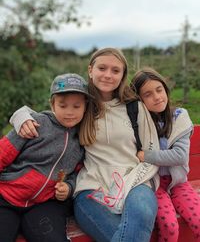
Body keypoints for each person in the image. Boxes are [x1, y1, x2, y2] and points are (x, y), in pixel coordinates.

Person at [10, 48, 160, 242]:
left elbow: (152, 151)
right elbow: (49, 115)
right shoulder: (81, 105)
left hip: (135, 183)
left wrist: (132, 183)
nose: (108, 75)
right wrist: (20, 116)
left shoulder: (134, 107)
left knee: (142, 211)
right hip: (91, 187)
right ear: (91, 70)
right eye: (102, 68)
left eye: (115, 70)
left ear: (123, 75)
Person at [0, 73, 92, 242]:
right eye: (63, 106)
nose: (69, 112)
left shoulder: (82, 139)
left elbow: (77, 174)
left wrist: (69, 188)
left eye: (76, 106)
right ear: (52, 104)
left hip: (43, 204)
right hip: (6, 198)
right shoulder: (34, 123)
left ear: (85, 106)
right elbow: (3, 152)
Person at [130, 67, 200, 242]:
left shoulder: (179, 117)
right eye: (147, 94)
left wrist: (146, 155)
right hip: (153, 185)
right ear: (139, 100)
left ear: (165, 89)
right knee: (169, 226)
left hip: (178, 183)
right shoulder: (140, 124)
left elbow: (180, 156)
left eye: (159, 90)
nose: (156, 97)